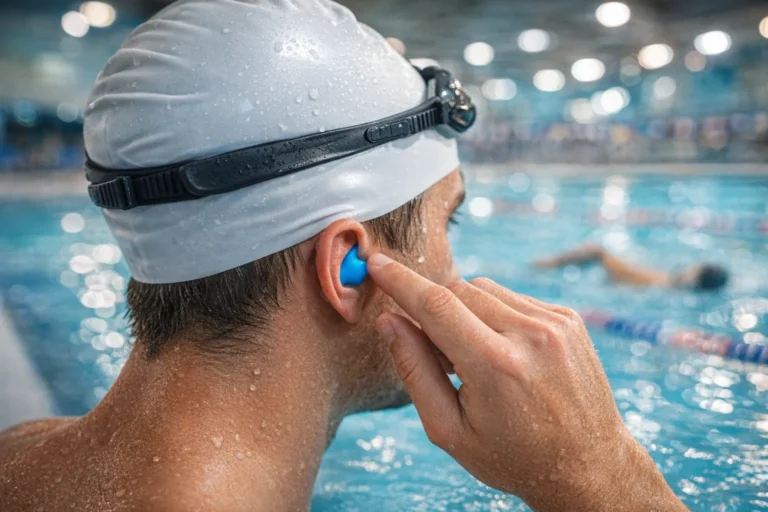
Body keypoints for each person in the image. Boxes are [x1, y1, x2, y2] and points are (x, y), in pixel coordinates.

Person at [0, 1, 688, 511]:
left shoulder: (20, 453)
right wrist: (602, 478)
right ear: (347, 267)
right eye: (446, 223)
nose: (456, 270)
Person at [534, 243, 729, 291]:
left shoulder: (665, 281)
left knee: (596, 250)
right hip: (626, 280)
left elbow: (627, 274)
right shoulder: (671, 281)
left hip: (621, 279)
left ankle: (544, 265)